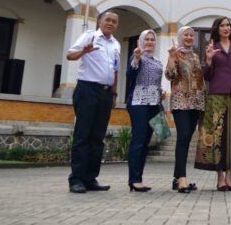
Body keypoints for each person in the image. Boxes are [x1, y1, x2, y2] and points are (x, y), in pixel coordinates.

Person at [66, 10, 120, 194]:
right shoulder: (89, 36)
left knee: (97, 137)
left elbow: (115, 70)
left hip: (105, 93)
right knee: (83, 135)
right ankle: (76, 179)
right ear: (100, 22)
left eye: (114, 21)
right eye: (107, 20)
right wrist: (84, 51)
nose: (110, 23)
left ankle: (90, 178)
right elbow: (70, 55)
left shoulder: (116, 44)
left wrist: (114, 94)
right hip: (87, 89)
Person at [195, 16, 231, 190]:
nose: (226, 28)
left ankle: (229, 177)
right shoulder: (212, 48)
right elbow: (207, 76)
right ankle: (219, 177)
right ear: (217, 29)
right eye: (222, 25)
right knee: (217, 135)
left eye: (228, 25)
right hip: (216, 95)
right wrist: (209, 60)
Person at [165, 26, 205, 193]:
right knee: (183, 136)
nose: (189, 37)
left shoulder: (195, 56)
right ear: (180, 37)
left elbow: (200, 80)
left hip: (196, 102)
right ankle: (182, 178)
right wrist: (171, 58)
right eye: (186, 35)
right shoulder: (175, 53)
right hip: (180, 100)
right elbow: (170, 75)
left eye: (191, 35)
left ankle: (177, 178)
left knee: (187, 138)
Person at [125, 29, 163, 192]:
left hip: (154, 104)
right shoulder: (137, 57)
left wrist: (160, 92)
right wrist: (136, 58)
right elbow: (130, 73)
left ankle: (138, 177)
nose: (149, 42)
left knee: (145, 142)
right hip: (138, 102)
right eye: (146, 39)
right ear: (140, 41)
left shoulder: (157, 61)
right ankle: (134, 179)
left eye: (152, 39)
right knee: (138, 141)